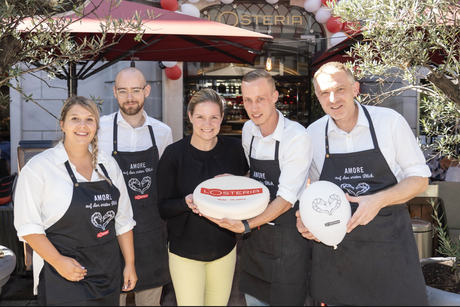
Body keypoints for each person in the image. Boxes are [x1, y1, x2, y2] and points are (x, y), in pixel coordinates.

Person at [296, 61, 431, 306]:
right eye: (324, 93)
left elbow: (420, 178)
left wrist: (377, 200)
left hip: (389, 250)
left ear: (356, 89)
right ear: (317, 97)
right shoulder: (313, 135)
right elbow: (310, 188)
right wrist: (304, 217)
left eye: (340, 89)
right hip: (337, 256)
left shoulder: (389, 122)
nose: (333, 99)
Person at [14, 96, 137, 305]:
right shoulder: (39, 168)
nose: (82, 125)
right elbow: (28, 227)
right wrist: (58, 261)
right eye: (75, 119)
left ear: (97, 126)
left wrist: (130, 264)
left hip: (107, 272)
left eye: (89, 119)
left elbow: (123, 220)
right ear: (62, 124)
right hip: (63, 275)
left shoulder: (108, 164)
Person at [205, 70, 313, 306]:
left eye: (260, 99)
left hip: (287, 242)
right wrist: (233, 181)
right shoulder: (248, 131)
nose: (254, 108)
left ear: (275, 96)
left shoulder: (296, 138)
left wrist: (244, 225)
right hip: (257, 242)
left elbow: (285, 199)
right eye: (248, 100)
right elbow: (257, 179)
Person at [156, 88, 249, 306]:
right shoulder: (173, 154)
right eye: (200, 117)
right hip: (184, 253)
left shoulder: (235, 150)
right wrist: (185, 202)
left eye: (214, 117)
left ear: (222, 118)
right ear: (190, 117)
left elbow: (248, 189)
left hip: (224, 249)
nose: (207, 124)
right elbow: (162, 207)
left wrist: (238, 182)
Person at [98, 67, 172, 306]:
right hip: (110, 230)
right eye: (123, 91)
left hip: (151, 231)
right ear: (114, 93)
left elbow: (166, 181)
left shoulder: (162, 132)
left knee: (150, 300)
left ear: (147, 91)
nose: (129, 97)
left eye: (136, 90)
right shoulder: (99, 129)